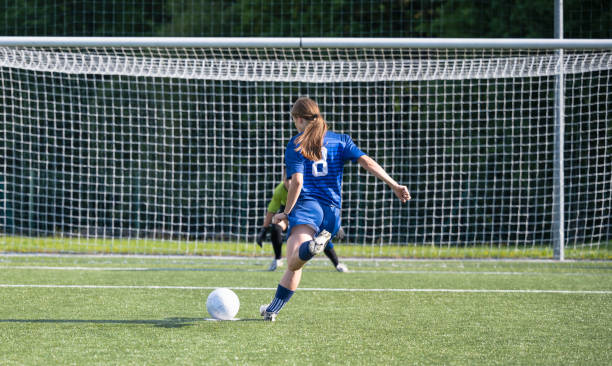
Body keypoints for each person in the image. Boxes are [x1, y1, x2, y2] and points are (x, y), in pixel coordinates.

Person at [260, 97, 410, 321]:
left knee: (293, 262)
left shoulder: (296, 143)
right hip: (332, 215)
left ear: (299, 119)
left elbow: (297, 182)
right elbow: (367, 161)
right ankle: (271, 309)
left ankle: (309, 249)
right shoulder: (340, 140)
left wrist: (287, 213)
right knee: (298, 262)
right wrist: (394, 184)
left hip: (308, 208)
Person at [256, 177, 349, 272]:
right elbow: (271, 211)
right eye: (287, 179)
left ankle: (337, 263)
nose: (290, 182)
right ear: (284, 179)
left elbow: (325, 204)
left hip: (305, 216)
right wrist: (264, 229)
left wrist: (336, 224)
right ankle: (278, 259)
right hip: (288, 215)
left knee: (320, 237)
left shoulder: (306, 188)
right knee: (276, 227)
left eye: (292, 178)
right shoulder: (280, 190)